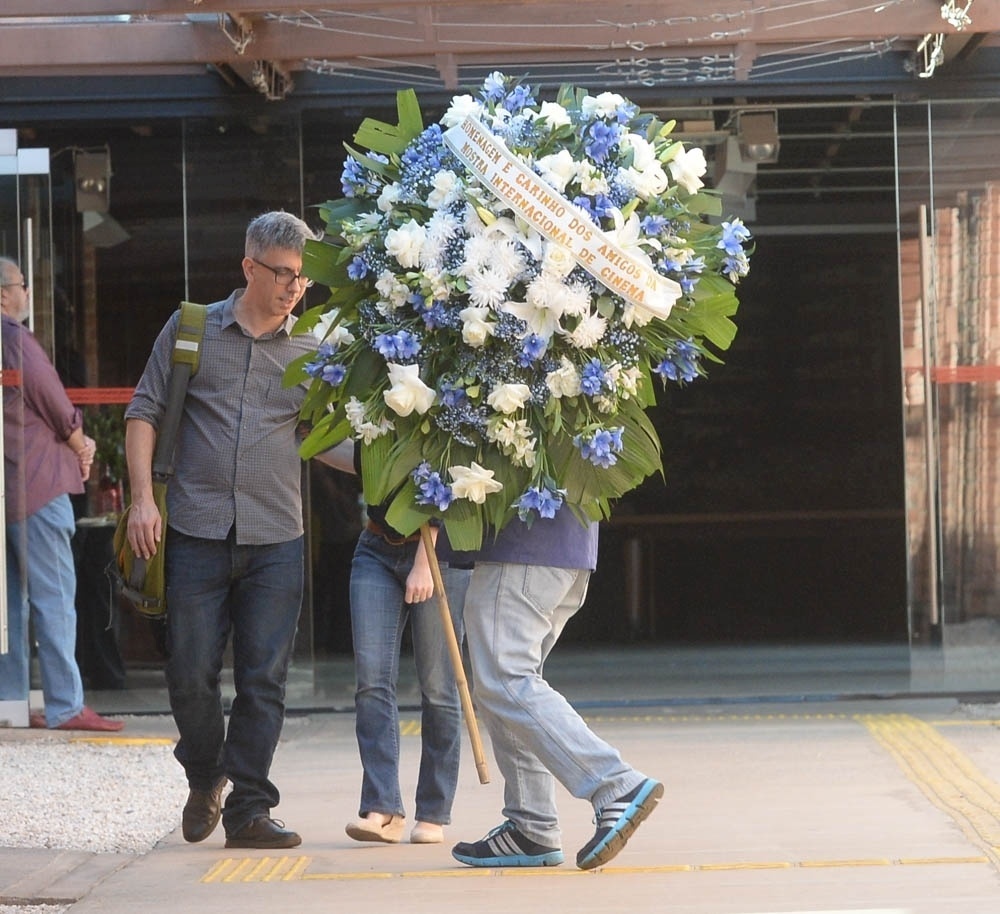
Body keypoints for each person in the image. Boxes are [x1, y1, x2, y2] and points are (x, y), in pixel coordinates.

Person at [124, 211, 329, 850]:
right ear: (249, 267)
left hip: (276, 537)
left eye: (302, 279)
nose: (294, 288)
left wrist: (397, 465)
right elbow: (144, 411)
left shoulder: (311, 353)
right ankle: (206, 773)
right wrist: (140, 501)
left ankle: (249, 808)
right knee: (189, 669)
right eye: (283, 274)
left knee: (264, 677)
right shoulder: (192, 329)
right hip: (194, 527)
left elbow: (328, 442)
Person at [445, 509, 662, 870]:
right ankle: (531, 825)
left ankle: (615, 783)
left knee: (505, 680)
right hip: (562, 546)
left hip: (521, 546)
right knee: (506, 686)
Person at [0, 256, 124, 732]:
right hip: (38, 484)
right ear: (6, 294)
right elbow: (53, 397)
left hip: (6, 489)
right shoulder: (15, 340)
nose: (28, 293)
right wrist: (81, 442)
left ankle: (10, 703)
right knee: (55, 597)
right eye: (23, 286)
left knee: (8, 606)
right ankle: (66, 704)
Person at [326, 444, 471, 846]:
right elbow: (359, 456)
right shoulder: (377, 395)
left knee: (440, 687)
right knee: (372, 681)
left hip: (439, 553)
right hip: (375, 547)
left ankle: (434, 810)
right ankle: (382, 807)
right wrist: (305, 433)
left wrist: (424, 563)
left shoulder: (448, 393)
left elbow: (453, 471)